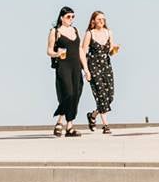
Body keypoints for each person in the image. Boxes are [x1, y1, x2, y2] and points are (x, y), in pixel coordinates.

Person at [82, 11, 121, 134]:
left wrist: (114, 49)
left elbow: (110, 51)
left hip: (106, 66)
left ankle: (93, 115)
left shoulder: (109, 32)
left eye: (103, 19)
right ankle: (106, 125)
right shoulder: (90, 34)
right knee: (100, 95)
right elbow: (83, 52)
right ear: (93, 21)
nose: (101, 21)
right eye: (99, 19)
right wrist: (86, 70)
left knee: (110, 96)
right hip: (94, 66)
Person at [49, 7, 84, 137]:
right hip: (63, 66)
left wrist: (85, 68)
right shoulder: (55, 31)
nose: (71, 19)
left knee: (76, 94)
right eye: (69, 16)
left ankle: (70, 126)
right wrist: (57, 53)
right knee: (68, 93)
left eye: (73, 17)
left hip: (76, 66)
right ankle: (59, 122)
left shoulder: (75, 30)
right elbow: (49, 51)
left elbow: (80, 50)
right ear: (61, 17)